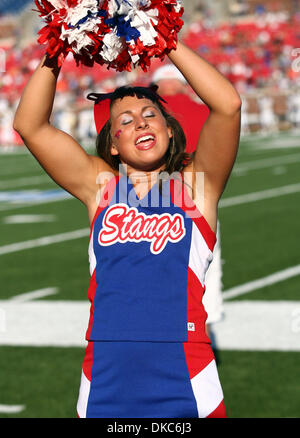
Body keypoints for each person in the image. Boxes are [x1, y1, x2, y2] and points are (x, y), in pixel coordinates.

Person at [13, 40, 241, 418]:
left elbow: (228, 106)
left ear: (169, 131)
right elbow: (29, 125)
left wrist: (168, 42)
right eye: (126, 120)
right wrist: (56, 47)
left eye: (150, 115)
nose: (140, 122)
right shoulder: (100, 187)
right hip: (105, 371)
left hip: (184, 369)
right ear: (113, 144)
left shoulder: (196, 187)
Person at [152, 64, 225, 338]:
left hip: (147, 200)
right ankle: (202, 331)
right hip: (197, 198)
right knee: (205, 267)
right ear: (184, 84)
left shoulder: (144, 114)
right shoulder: (204, 111)